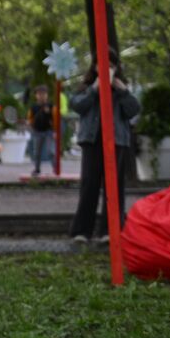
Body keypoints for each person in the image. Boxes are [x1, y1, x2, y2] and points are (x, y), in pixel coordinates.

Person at [69, 49, 141, 244]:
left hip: (116, 141)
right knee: (89, 185)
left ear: (116, 68)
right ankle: (82, 231)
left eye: (110, 66)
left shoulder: (122, 88)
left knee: (114, 186)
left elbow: (134, 110)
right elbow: (77, 105)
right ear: (94, 67)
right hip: (93, 140)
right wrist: (94, 89)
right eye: (102, 65)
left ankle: (110, 230)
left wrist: (123, 91)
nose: (106, 69)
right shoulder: (87, 87)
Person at [29, 84, 55, 177]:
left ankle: (55, 168)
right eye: (39, 94)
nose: (41, 96)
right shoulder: (33, 107)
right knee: (37, 152)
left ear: (47, 95)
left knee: (50, 151)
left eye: (44, 94)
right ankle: (37, 169)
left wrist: (55, 131)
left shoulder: (50, 105)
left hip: (48, 131)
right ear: (36, 95)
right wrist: (31, 126)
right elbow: (30, 118)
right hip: (37, 131)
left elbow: (54, 119)